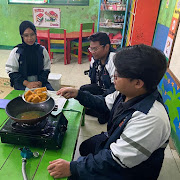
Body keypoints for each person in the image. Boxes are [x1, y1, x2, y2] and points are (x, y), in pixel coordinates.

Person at [47, 44, 170, 180]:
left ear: (137, 83)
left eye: (119, 73)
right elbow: (103, 103)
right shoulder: (126, 93)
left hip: (131, 171)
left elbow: (115, 161)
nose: (113, 75)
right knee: (85, 147)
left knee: (73, 176)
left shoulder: (150, 118)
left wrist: (73, 168)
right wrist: (78, 94)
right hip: (118, 142)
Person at [5, 20, 54, 90]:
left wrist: (40, 82)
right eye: (26, 35)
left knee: (51, 97)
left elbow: (46, 69)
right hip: (22, 83)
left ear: (35, 34)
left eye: (32, 34)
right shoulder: (16, 52)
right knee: (24, 99)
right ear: (22, 36)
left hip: (40, 82)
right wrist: (27, 83)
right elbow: (12, 72)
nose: (30, 38)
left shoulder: (41, 50)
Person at [80, 32, 116, 96]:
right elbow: (92, 79)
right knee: (82, 91)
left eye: (95, 49)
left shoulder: (114, 60)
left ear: (106, 47)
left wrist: (99, 99)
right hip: (100, 88)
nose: (92, 52)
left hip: (111, 94)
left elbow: (115, 87)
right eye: (91, 49)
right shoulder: (95, 58)